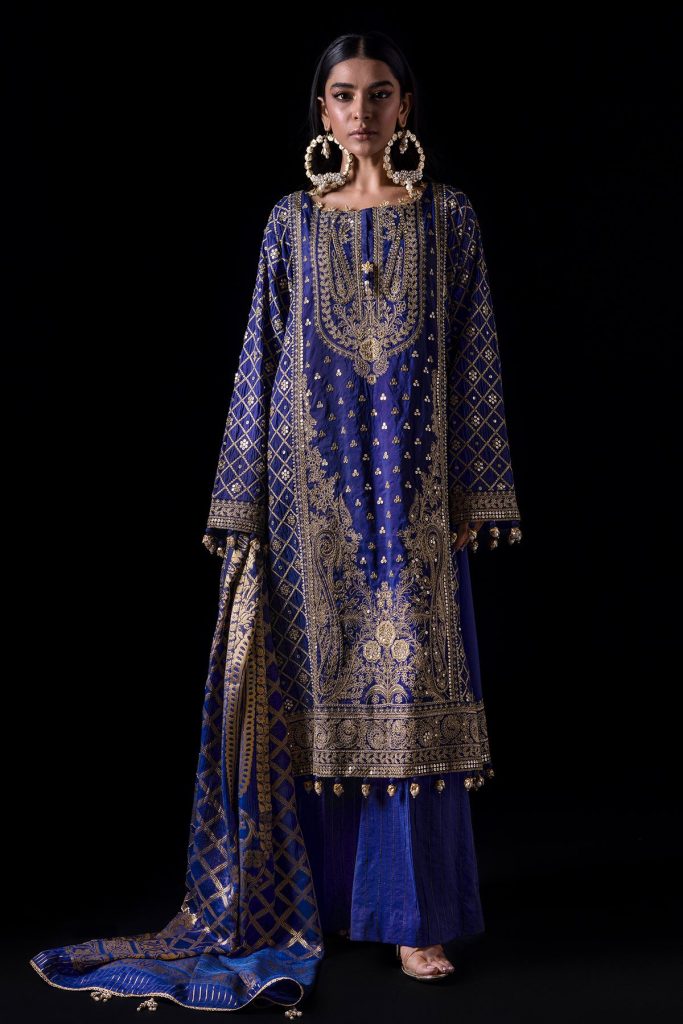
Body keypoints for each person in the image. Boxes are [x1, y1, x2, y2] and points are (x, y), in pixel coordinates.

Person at [29, 30, 522, 1015]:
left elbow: (474, 351)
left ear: (404, 106)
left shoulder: (448, 216)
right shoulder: (289, 222)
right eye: (342, 95)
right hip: (307, 495)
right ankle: (315, 904)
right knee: (305, 693)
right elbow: (261, 351)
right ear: (321, 111)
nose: (360, 112)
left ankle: (416, 917)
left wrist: (475, 489)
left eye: (377, 94)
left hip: (416, 493)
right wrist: (242, 501)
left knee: (411, 694)